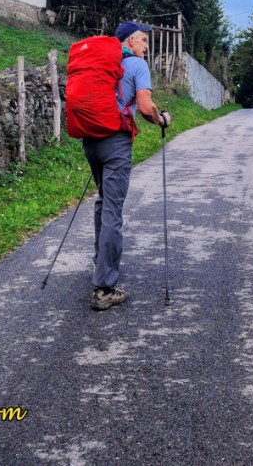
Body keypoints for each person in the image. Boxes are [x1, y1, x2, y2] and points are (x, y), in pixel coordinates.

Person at [82, 21, 171, 311]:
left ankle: (101, 262)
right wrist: (162, 120)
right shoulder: (136, 66)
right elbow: (145, 107)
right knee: (112, 209)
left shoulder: (99, 63)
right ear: (131, 40)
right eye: (144, 40)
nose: (146, 45)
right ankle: (104, 288)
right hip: (116, 141)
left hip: (90, 140)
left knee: (102, 201)